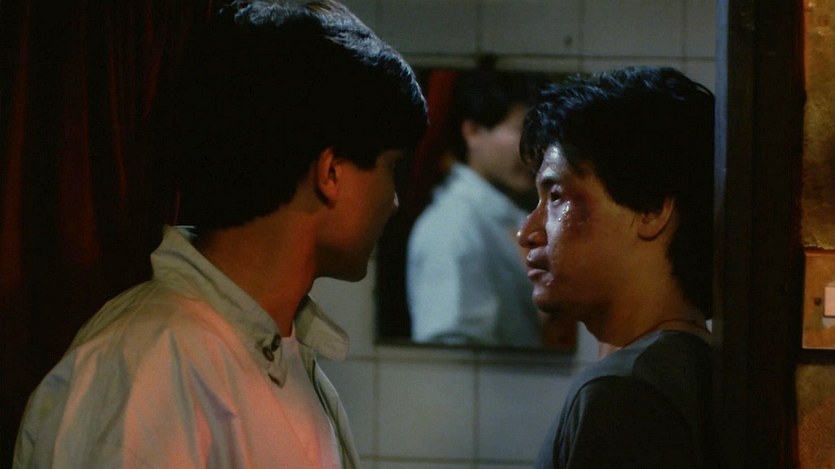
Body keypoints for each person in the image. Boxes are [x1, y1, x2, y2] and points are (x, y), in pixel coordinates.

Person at [13, 1, 427, 467]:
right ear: (330, 172)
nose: (394, 201)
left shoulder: (283, 354)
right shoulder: (145, 369)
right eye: (391, 167)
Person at [517, 66, 715, 468]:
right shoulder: (696, 369)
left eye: (556, 196)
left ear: (652, 210)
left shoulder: (625, 394)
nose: (528, 232)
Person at [407, 69, 544, 347]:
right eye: (522, 129)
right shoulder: (453, 225)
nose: (535, 148)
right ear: (472, 132)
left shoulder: (500, 214)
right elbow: (450, 346)